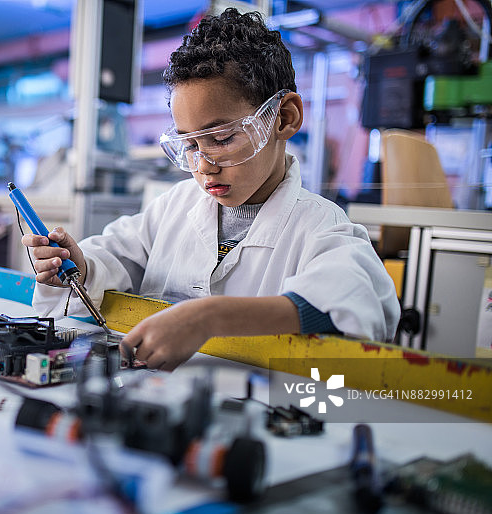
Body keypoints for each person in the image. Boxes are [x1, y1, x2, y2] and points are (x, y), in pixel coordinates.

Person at [22, 8, 400, 371]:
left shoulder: (320, 226)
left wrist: (209, 316)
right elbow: (116, 256)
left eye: (221, 138)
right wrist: (81, 266)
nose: (203, 166)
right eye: (189, 145)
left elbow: (356, 304)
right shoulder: (174, 207)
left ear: (284, 118)